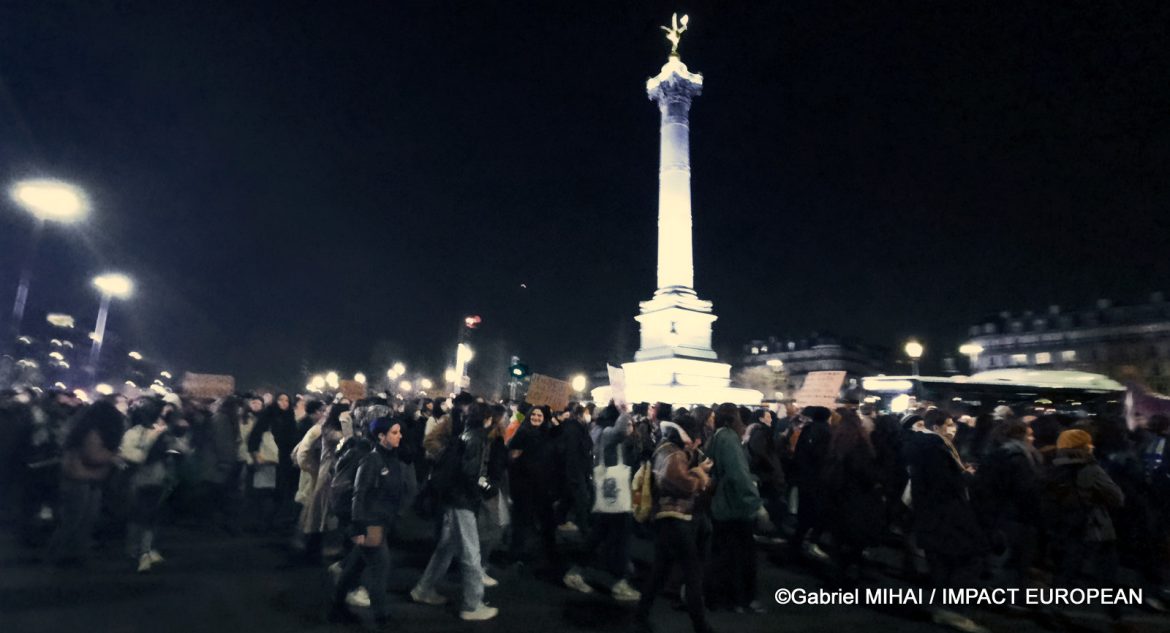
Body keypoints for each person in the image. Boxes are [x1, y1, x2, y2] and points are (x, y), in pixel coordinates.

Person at [411, 401, 498, 621]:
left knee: (447, 546)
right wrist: (486, 488)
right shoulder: (478, 439)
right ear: (486, 419)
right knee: (470, 552)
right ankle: (472, 604)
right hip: (463, 500)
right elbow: (471, 474)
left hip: (453, 497)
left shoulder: (465, 434)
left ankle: (424, 588)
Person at [907, 409, 989, 633]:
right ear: (937, 428)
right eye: (949, 424)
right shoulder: (936, 449)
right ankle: (953, 611)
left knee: (941, 563)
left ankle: (943, 607)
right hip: (946, 515)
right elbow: (944, 483)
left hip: (931, 515)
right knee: (967, 559)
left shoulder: (924, 446)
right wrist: (966, 477)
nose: (953, 428)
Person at [636, 411, 713, 633]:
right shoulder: (673, 454)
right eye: (696, 437)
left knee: (660, 571)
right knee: (692, 573)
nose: (698, 441)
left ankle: (641, 615)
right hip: (676, 519)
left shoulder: (666, 448)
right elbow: (685, 484)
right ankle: (700, 625)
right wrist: (701, 474)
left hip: (666, 519)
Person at [327, 417, 408, 626]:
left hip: (382, 521)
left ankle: (336, 606)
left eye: (399, 432)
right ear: (381, 436)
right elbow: (359, 494)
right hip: (371, 522)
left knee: (355, 565)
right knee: (381, 566)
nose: (399, 436)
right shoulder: (372, 460)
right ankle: (381, 616)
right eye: (394, 432)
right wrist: (358, 526)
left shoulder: (392, 459)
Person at [1043, 429, 1126, 626]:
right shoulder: (1090, 469)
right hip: (1095, 527)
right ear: (1084, 447)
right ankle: (1115, 616)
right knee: (1107, 573)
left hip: (1066, 526)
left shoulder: (1052, 466)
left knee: (1066, 570)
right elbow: (1117, 498)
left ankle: (1054, 608)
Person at [46, 401, 124, 565]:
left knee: (80, 520)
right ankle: (60, 554)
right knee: (75, 520)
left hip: (81, 478)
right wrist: (113, 456)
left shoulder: (83, 428)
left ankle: (71, 554)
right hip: (80, 479)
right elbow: (93, 456)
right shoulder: (93, 433)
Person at [707, 403, 764, 613]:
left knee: (723, 555)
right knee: (742, 555)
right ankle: (742, 599)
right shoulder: (729, 438)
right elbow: (738, 474)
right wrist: (755, 502)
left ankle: (725, 598)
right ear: (732, 419)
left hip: (720, 506)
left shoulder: (716, 437)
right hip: (735, 506)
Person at [821, 409, 883, 584]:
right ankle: (849, 572)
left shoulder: (835, 441)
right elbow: (864, 472)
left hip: (837, 494)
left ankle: (837, 572)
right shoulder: (859, 445)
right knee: (855, 537)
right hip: (856, 496)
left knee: (839, 537)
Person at [120, 398, 180, 572]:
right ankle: (137, 551)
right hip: (141, 478)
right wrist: (151, 440)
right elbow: (134, 456)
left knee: (153, 515)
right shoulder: (134, 432)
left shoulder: (159, 430)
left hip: (158, 477)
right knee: (139, 515)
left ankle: (147, 549)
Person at [507, 404, 559, 567]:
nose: (536, 418)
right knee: (521, 521)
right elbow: (512, 455)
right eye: (533, 415)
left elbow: (560, 431)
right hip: (525, 485)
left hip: (543, 485)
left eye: (540, 416)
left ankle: (548, 554)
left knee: (546, 521)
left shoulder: (548, 433)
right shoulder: (523, 432)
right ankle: (517, 555)